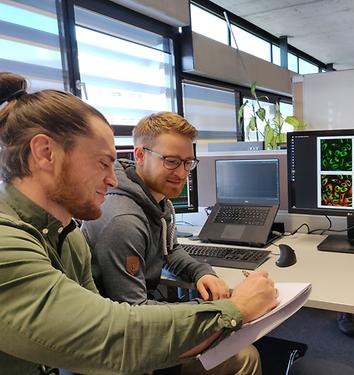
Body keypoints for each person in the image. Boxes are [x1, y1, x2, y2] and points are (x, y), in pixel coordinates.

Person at [0, 72, 278, 374]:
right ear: (45, 153)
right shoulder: (8, 244)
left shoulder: (67, 234)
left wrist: (202, 275)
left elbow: (166, 255)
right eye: (103, 162)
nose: (110, 178)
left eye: (187, 163)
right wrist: (235, 309)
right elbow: (114, 335)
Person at [81, 111, 260, 374]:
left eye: (188, 162)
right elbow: (133, 311)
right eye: (172, 161)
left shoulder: (154, 195)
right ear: (140, 155)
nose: (182, 173)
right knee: (244, 355)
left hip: (137, 318)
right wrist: (214, 311)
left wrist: (200, 271)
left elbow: (170, 249)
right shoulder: (124, 220)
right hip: (119, 344)